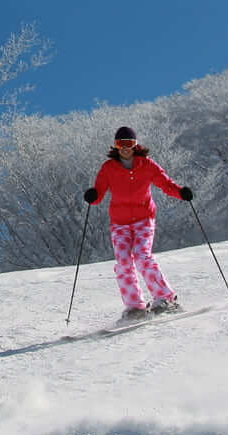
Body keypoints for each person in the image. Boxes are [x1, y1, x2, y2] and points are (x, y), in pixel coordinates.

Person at [82, 125, 193, 320]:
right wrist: (93, 195)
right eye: (120, 143)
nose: (125, 147)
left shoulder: (147, 165)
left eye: (129, 143)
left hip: (144, 219)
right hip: (120, 223)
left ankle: (166, 298)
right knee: (124, 262)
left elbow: (165, 183)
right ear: (116, 146)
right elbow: (98, 193)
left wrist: (181, 192)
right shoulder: (109, 168)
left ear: (135, 145)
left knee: (142, 256)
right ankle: (135, 307)